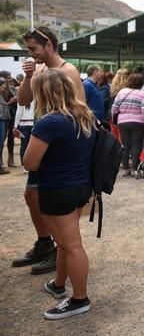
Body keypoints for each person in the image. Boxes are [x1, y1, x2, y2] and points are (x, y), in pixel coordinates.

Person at [23, 68, 96, 320]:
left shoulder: (49, 122)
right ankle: (58, 283)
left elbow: (29, 163)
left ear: (42, 93)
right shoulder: (84, 115)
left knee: (71, 245)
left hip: (57, 189)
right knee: (65, 241)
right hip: (80, 187)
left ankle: (79, 299)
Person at [12, 26, 85, 276]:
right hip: (43, 137)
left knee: (50, 200)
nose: (32, 55)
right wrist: (28, 78)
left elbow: (80, 111)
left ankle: (60, 249)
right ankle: (47, 243)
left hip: (58, 145)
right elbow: (23, 101)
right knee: (31, 195)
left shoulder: (68, 71)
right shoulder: (40, 70)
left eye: (34, 49)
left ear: (49, 45)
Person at [111, 73, 144, 178]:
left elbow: (114, 108)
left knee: (125, 145)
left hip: (122, 122)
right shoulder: (142, 94)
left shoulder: (121, 92)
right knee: (136, 145)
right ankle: (134, 169)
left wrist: (115, 120)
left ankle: (126, 168)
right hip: (138, 122)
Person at [13, 98, 35, 168]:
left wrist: (15, 126)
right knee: (31, 145)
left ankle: (24, 164)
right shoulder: (35, 97)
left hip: (23, 124)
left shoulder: (21, 98)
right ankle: (31, 163)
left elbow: (19, 112)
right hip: (33, 123)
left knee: (24, 145)